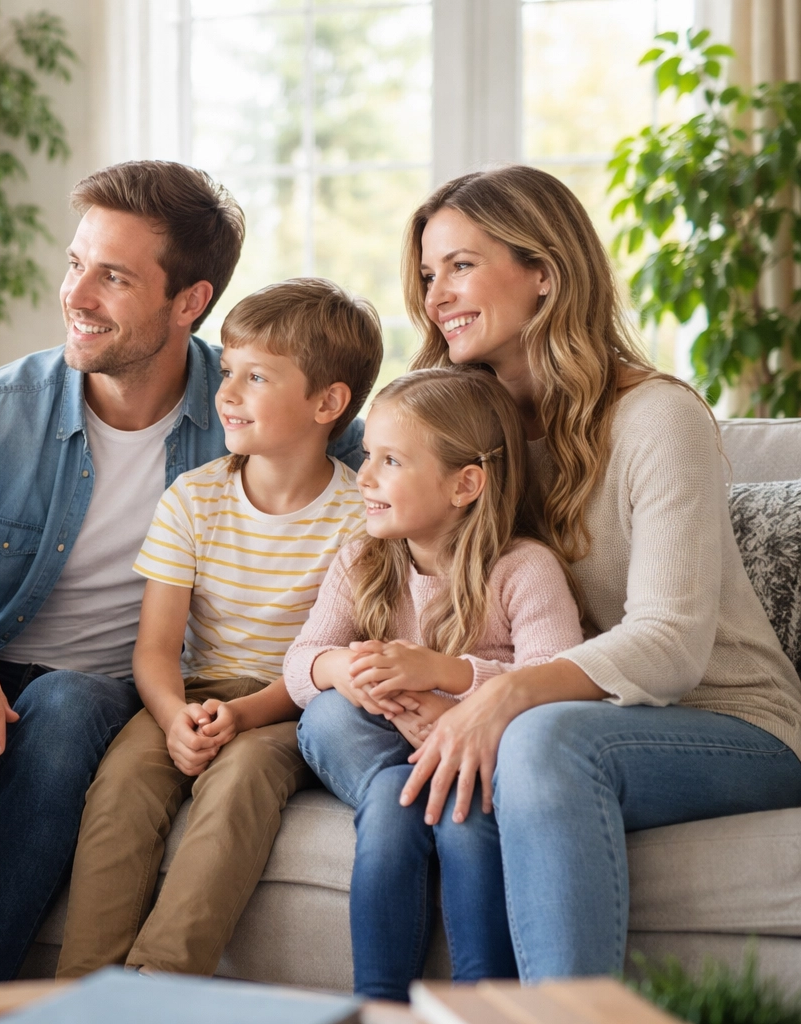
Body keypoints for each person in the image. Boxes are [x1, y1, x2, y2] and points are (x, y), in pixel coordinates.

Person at [0, 162, 366, 996]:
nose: (78, 293)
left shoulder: (259, 405)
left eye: (113, 276)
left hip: (117, 693)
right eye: (76, 263)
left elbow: (391, 502)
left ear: (189, 302)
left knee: (70, 704)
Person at [385, 165, 801, 979]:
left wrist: (503, 694)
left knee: (536, 740)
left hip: (733, 721)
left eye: (462, 266)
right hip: (572, 715)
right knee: (474, 756)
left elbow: (673, 643)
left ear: (544, 271)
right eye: (430, 275)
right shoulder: (466, 438)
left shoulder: (658, 417)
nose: (437, 296)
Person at [54, 278, 380, 978]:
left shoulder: (363, 520)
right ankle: (80, 992)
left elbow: (331, 660)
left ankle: (161, 987)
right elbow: (155, 648)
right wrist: (174, 718)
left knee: (239, 786)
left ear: (328, 403)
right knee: (122, 785)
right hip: (192, 689)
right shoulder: (194, 499)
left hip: (290, 705)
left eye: (256, 377)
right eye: (227, 370)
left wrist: (241, 716)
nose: (226, 392)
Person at [292, 367, 583, 999]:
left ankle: (481, 1003)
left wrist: (445, 676)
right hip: (381, 746)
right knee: (326, 716)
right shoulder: (363, 560)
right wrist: (346, 671)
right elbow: (301, 662)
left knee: (445, 809)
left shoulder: (522, 570)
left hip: (480, 758)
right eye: (368, 455)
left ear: (465, 484)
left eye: (390, 461)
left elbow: (560, 680)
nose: (363, 477)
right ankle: (380, 1008)